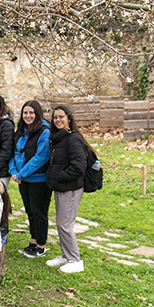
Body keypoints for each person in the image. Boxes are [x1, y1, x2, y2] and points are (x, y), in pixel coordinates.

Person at [45, 105, 89, 273]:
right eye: (55, 117)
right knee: (60, 223)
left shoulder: (73, 139)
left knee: (65, 225)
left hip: (70, 188)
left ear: (69, 118)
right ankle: (65, 255)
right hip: (60, 187)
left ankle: (75, 260)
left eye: (61, 117)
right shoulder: (59, 138)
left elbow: (79, 166)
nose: (57, 120)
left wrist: (58, 177)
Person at [9, 100, 52, 259]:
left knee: (39, 212)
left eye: (31, 113)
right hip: (23, 180)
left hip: (38, 180)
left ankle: (40, 246)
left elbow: (40, 157)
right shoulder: (21, 131)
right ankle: (33, 242)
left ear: (38, 114)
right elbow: (14, 153)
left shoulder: (44, 132)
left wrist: (20, 174)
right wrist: (13, 171)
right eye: (25, 113)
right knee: (30, 211)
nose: (28, 116)